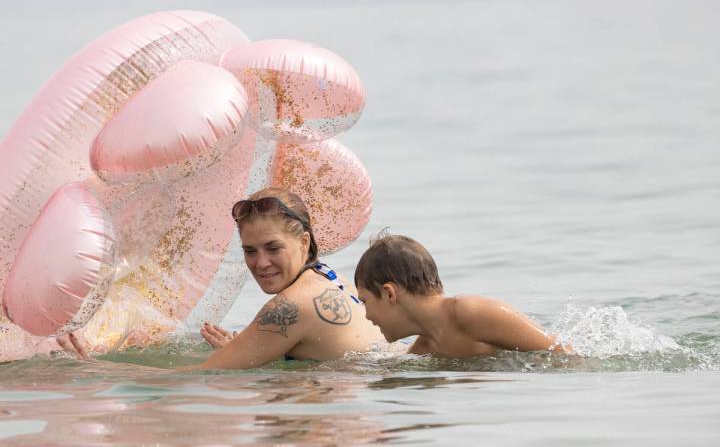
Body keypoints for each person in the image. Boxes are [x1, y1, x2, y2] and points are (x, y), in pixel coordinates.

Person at [58, 187, 384, 369]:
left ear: (304, 242)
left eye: (273, 248)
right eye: (250, 251)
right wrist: (249, 348)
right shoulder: (331, 277)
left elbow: (201, 376)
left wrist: (95, 368)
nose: (261, 263)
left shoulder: (288, 307)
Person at [353, 233, 571, 357]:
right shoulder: (425, 347)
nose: (367, 316)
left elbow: (563, 354)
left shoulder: (469, 312)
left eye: (365, 301)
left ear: (388, 293)